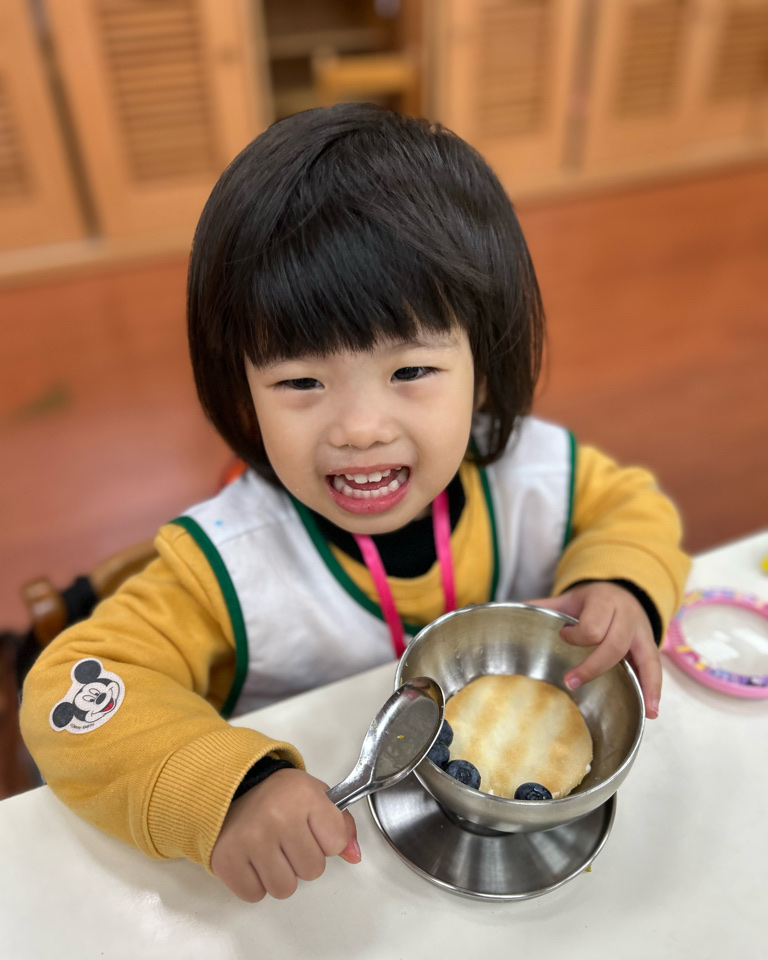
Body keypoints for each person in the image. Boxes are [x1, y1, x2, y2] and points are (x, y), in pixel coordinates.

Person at [20, 104, 690, 904]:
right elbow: (67, 696)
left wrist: (621, 582)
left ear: (483, 361)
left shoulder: (533, 473)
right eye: (302, 381)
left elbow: (632, 506)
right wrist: (230, 791)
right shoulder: (229, 568)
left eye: (411, 372)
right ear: (241, 392)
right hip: (327, 891)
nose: (360, 428)